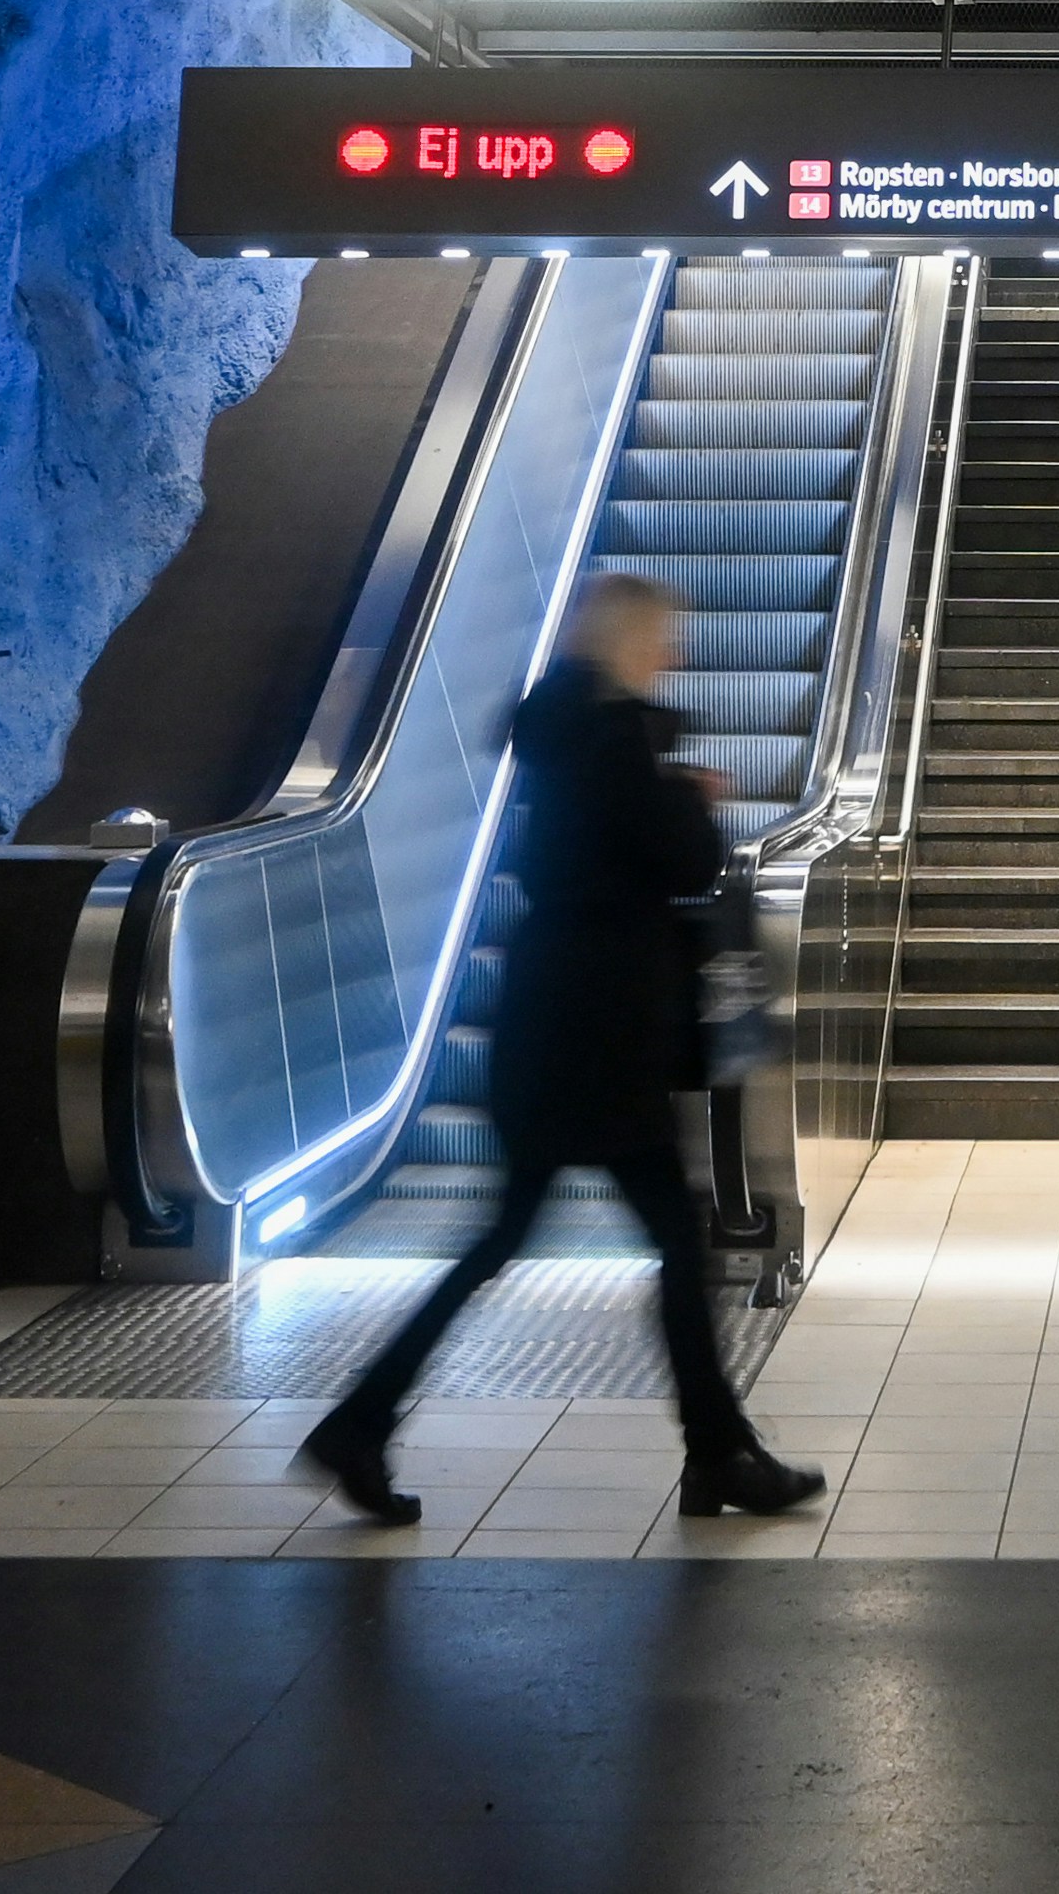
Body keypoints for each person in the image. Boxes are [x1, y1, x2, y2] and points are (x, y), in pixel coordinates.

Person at [298, 571, 824, 1523]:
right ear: (629, 641)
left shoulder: (564, 736)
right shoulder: (612, 740)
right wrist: (695, 799)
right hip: (601, 1041)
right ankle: (718, 1456)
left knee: (512, 1242)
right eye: (665, 637)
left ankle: (362, 1423)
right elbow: (680, 862)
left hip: (550, 1031)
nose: (675, 653)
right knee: (671, 1244)